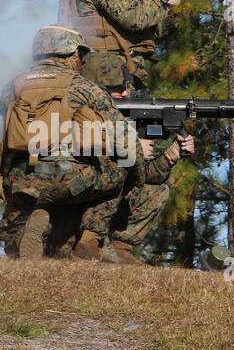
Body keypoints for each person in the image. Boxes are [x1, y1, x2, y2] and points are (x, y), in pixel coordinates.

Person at [0, 25, 127, 259]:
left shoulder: (13, 86)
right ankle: (90, 238)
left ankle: (37, 217)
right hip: (64, 176)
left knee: (14, 247)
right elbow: (122, 137)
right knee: (118, 171)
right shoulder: (85, 87)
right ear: (68, 54)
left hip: (20, 178)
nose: (83, 62)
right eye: (81, 55)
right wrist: (138, 173)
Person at [76, 51, 194, 264]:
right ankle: (88, 241)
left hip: (97, 198)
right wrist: (130, 147)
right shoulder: (79, 110)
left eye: (125, 87)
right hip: (76, 194)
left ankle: (120, 249)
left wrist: (169, 156)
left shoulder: (127, 116)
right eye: (116, 90)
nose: (124, 93)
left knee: (157, 190)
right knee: (115, 174)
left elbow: (146, 176)